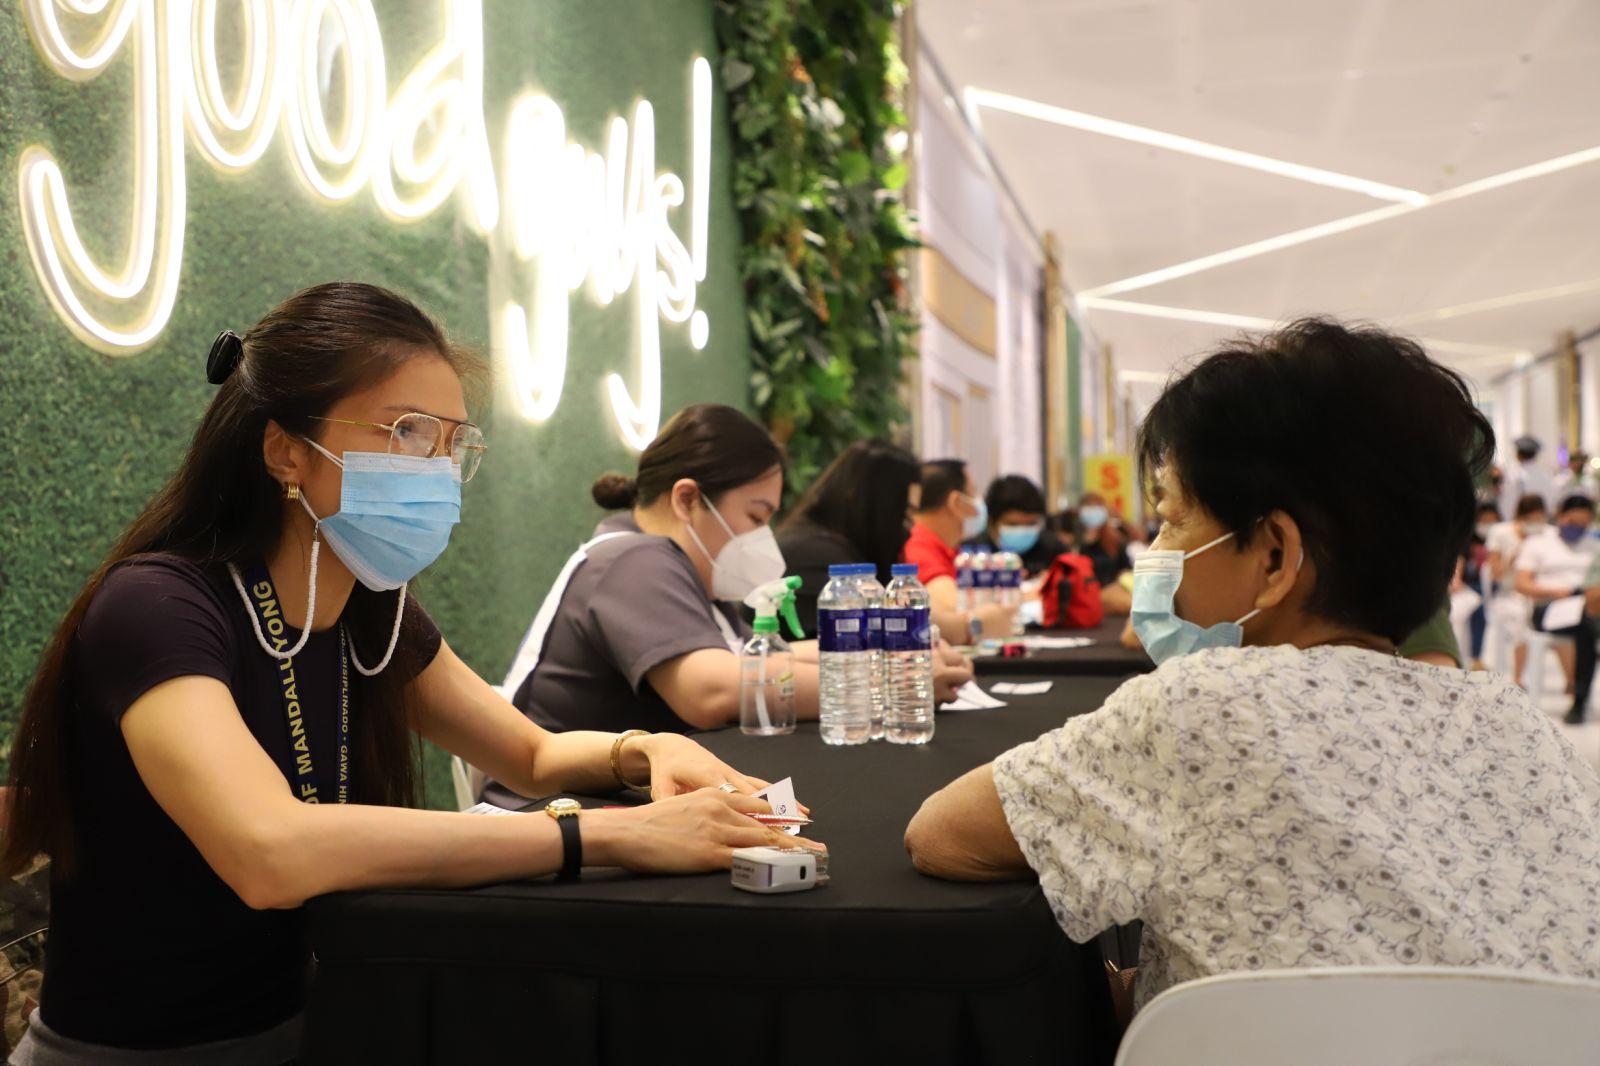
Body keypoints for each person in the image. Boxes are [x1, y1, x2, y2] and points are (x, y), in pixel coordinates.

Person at [1, 285, 809, 1063]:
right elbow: (268, 849)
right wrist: (605, 834)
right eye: (409, 433)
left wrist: (642, 753)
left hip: (319, 1025)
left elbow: (528, 757)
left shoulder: (371, 607)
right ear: (285, 450)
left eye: (454, 443)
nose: (438, 470)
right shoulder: (157, 606)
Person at [906, 318, 1600, 1009]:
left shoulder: (1207, 704)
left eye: (1173, 520)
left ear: (1273, 556)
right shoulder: (1523, 724)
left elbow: (941, 836)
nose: (1158, 554)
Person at [776, 439, 920, 633]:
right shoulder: (817, 558)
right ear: (875, 503)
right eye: (904, 514)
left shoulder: (827, 544)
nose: (910, 528)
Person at [902, 459, 1016, 643]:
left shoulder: (947, 548)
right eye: (973, 493)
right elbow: (958, 607)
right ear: (956, 502)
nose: (979, 505)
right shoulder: (917, 547)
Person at [1514, 494, 1600, 724]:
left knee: (1587, 621)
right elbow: (1521, 583)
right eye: (1573, 522)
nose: (1578, 528)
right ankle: (1579, 699)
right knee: (1586, 627)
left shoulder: (1594, 546)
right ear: (1560, 516)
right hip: (1547, 607)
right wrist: (1553, 591)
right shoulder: (1538, 543)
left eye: (1583, 523)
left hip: (1586, 604)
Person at [1485, 494, 1547, 685]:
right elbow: (1495, 573)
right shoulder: (1500, 532)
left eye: (1539, 518)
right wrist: (1516, 555)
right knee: (1520, 617)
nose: (1535, 523)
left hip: (1540, 591)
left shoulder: (1547, 533)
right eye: (1531, 519)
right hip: (1510, 593)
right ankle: (1518, 676)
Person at [974, 474, 1069, 575]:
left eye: (1030, 524)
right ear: (992, 522)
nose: (1022, 530)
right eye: (1013, 525)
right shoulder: (972, 554)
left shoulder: (1055, 551)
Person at [1076, 492, 1134, 613]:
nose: (1092, 513)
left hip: (1113, 594)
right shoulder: (1076, 537)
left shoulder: (1114, 538)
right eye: (1088, 508)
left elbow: (1126, 569)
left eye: (1096, 508)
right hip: (1086, 596)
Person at [1500, 435, 1555, 519]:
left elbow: (1507, 506)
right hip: (1542, 522)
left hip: (1520, 523)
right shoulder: (1546, 475)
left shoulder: (1514, 476)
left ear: (1518, 454)